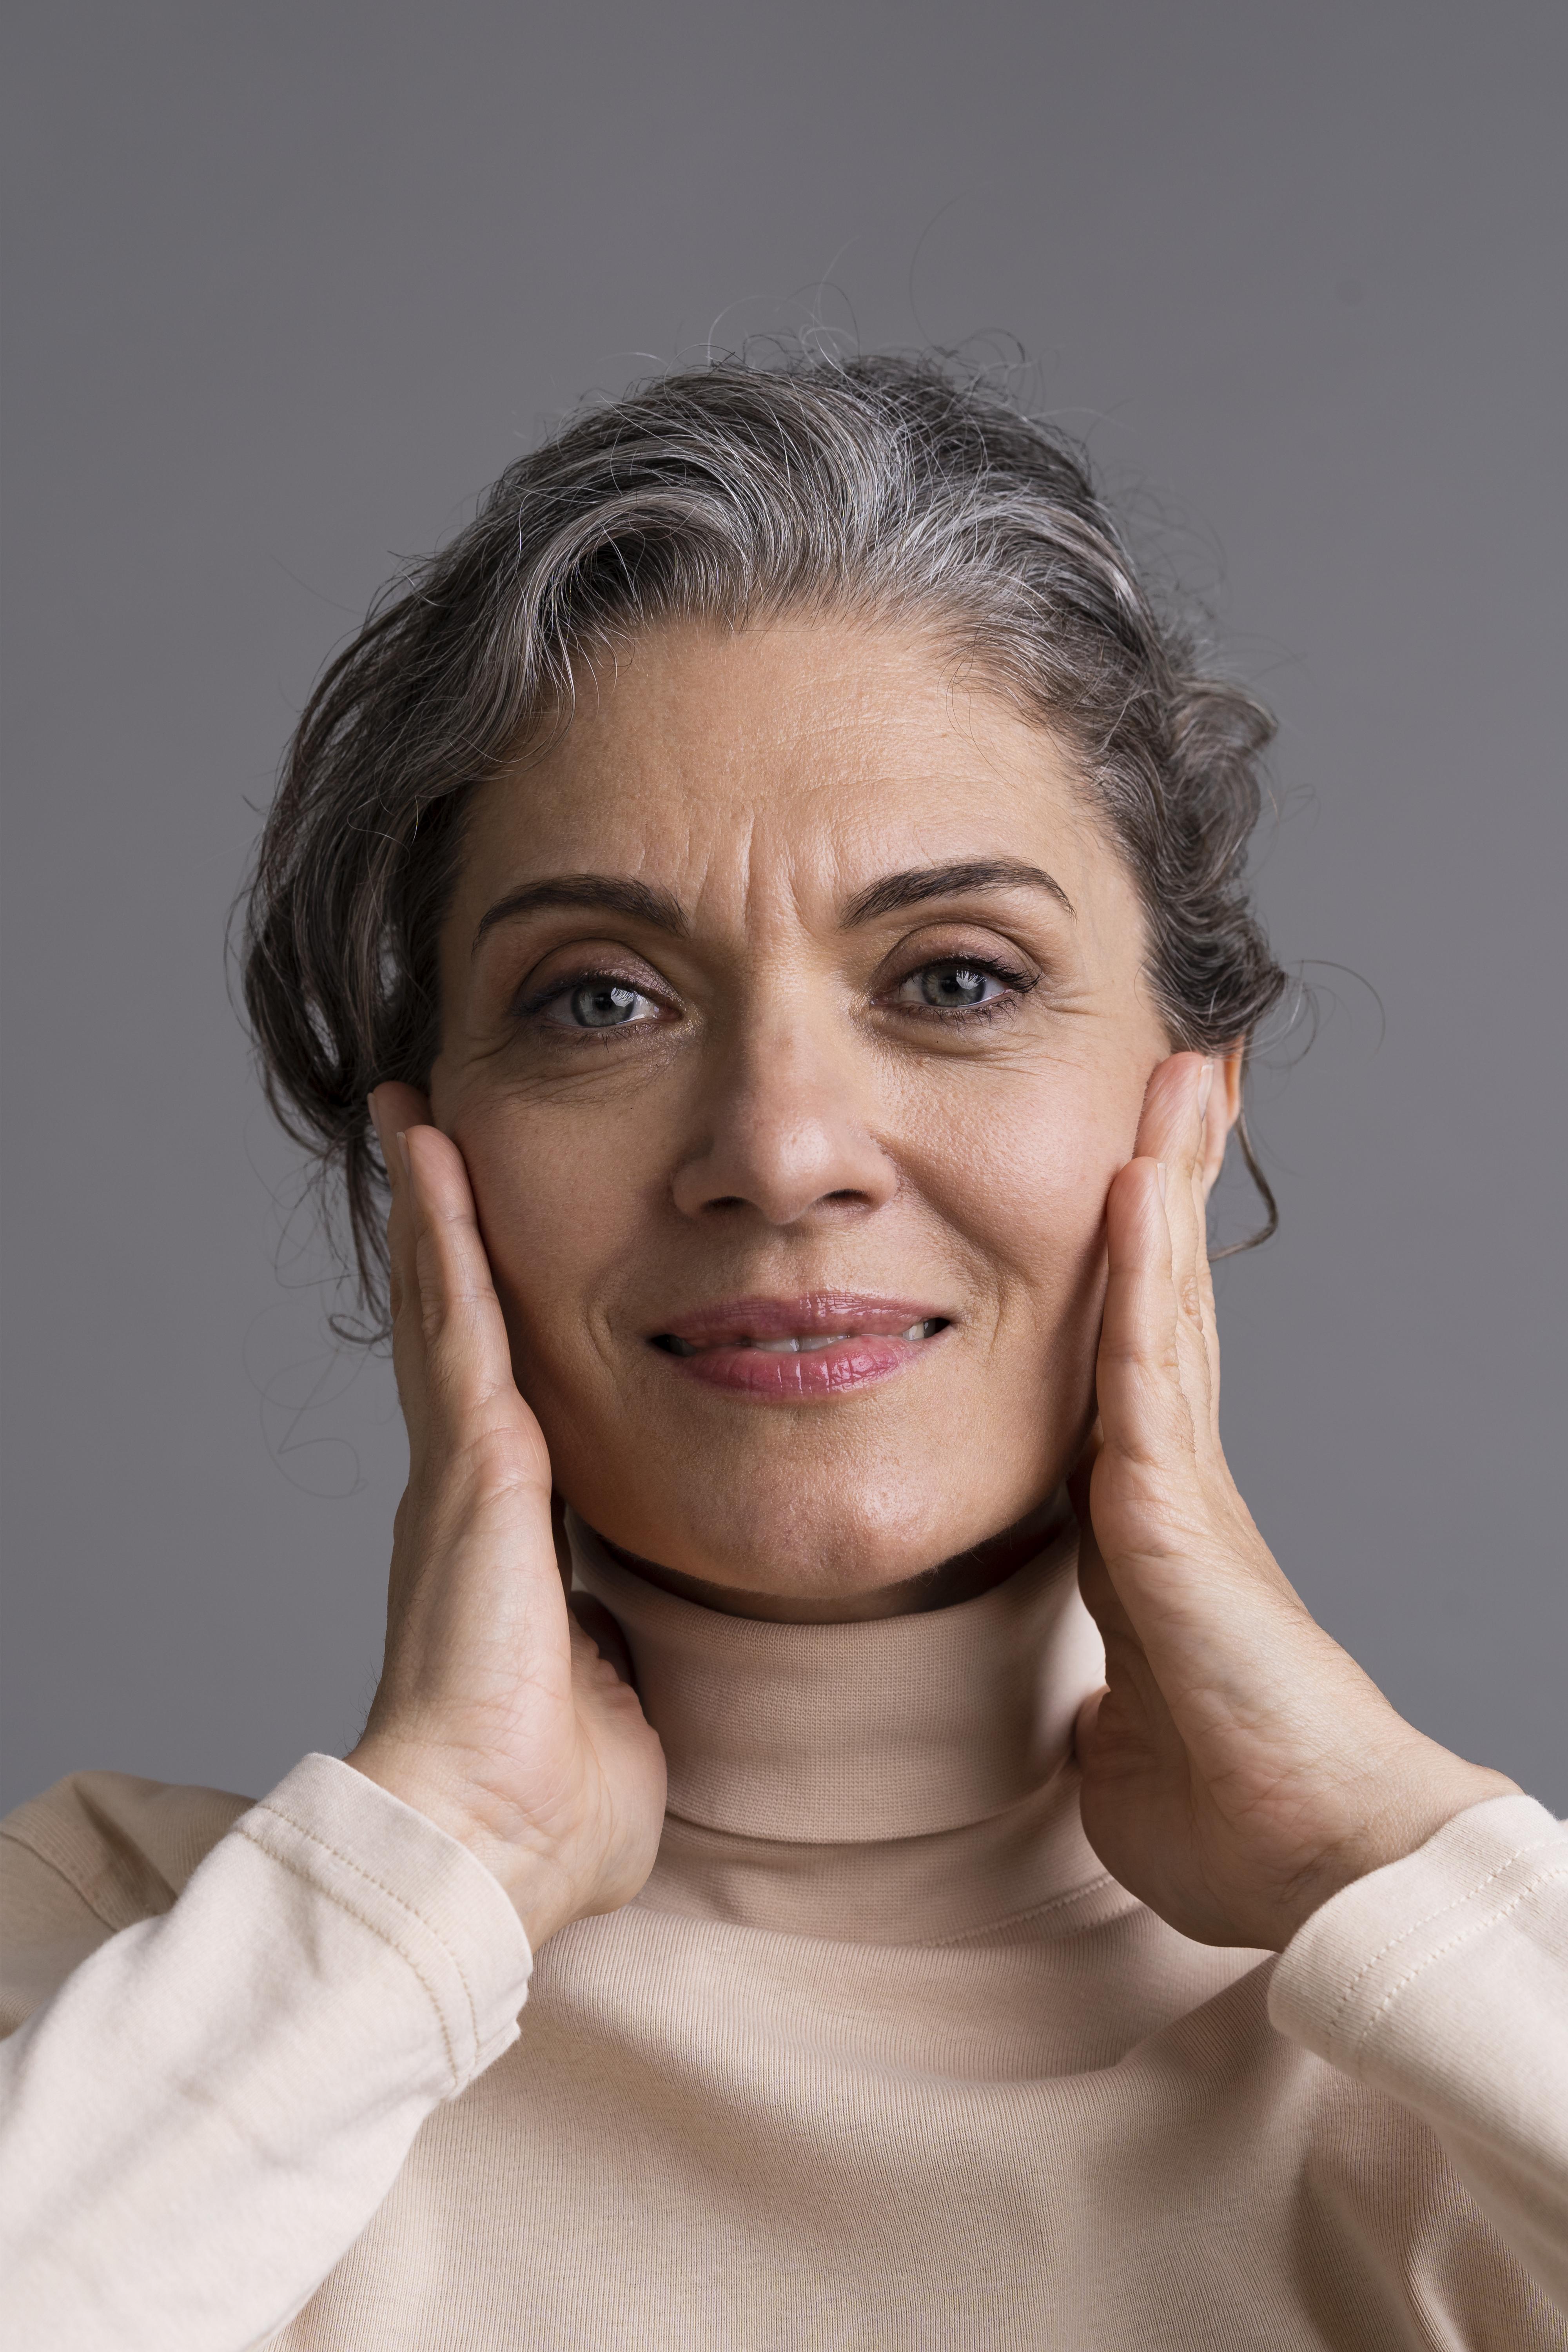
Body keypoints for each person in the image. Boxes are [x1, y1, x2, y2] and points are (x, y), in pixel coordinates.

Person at [2, 355, 1563, 2352]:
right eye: (596, 1003)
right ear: (428, 1162)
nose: (780, 1148)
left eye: (955, 979)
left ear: (1192, 1112)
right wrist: (429, 1877)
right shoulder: (110, 1992)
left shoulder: (1469, 2052)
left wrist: (1394, 1856)